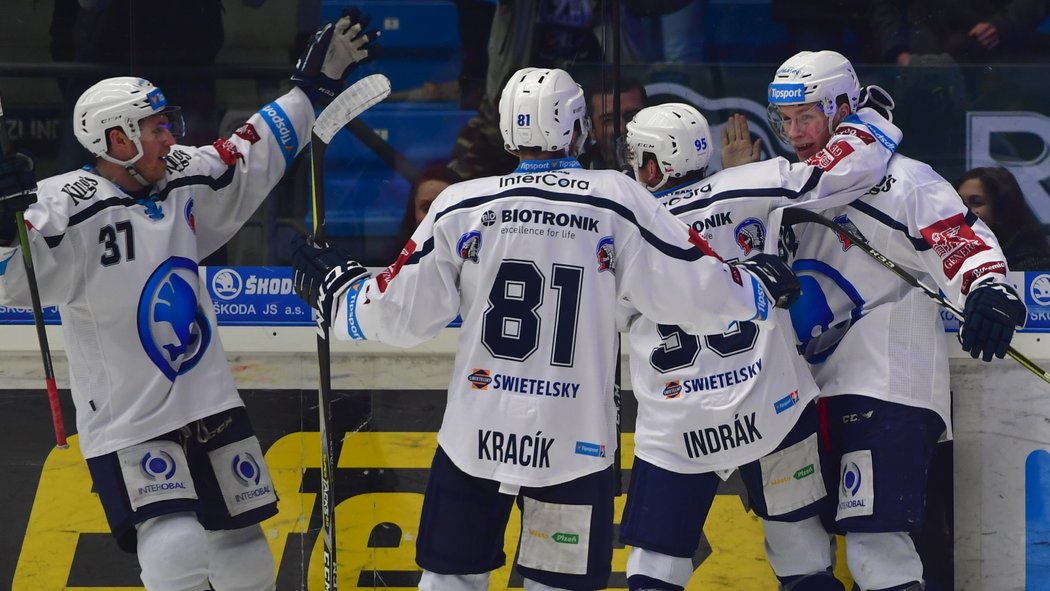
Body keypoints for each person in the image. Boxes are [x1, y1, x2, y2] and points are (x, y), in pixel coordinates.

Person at [289, 66, 802, 591]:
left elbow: (400, 315)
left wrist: (340, 291)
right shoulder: (614, 200)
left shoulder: (462, 204)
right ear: (577, 127)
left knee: (450, 581)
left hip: (477, 437)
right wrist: (754, 288)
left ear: (508, 130)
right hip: (572, 440)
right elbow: (690, 288)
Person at [0, 9, 378, 590]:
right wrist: (2, 224)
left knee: (246, 549)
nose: (170, 135)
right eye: (155, 127)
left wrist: (309, 92)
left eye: (166, 122)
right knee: (174, 546)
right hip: (129, 417)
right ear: (116, 139)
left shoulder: (181, 175)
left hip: (208, 401)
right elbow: (7, 278)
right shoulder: (61, 208)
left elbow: (249, 152)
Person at [617, 94, 901, 591]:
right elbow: (845, 170)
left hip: (679, 425)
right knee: (800, 549)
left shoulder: (625, 224)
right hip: (771, 408)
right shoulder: (753, 182)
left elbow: (611, 313)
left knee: (655, 561)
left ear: (650, 162)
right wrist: (870, 118)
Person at [767, 50, 1025, 591]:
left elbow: (959, 240)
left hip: (884, 384)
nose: (796, 132)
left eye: (807, 117)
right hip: (800, 392)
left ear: (842, 107)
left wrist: (989, 288)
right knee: (793, 545)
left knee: (875, 549)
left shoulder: (905, 179)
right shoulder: (787, 188)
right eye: (784, 120)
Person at [956, 166, 1050, 270]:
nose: (965, 211)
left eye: (976, 202)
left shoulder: (1033, 266)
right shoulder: (947, 259)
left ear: (1002, 207)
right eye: (960, 203)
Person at [580, 75, 648, 171]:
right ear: (591, 129)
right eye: (608, 120)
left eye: (632, 116)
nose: (622, 128)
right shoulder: (577, 174)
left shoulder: (669, 172)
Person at [393, 165, 464, 250]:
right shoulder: (398, 262)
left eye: (445, 208)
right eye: (427, 208)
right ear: (413, 214)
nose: (435, 218)